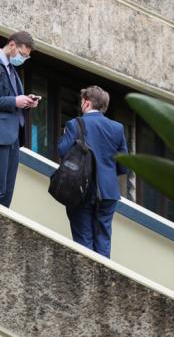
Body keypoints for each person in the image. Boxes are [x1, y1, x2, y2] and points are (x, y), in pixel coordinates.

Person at [57, 86, 128, 258]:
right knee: (103, 240)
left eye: (82, 102)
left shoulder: (75, 124)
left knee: (83, 240)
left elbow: (62, 151)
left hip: (80, 189)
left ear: (87, 103)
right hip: (108, 192)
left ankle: (86, 283)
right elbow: (124, 165)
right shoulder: (117, 128)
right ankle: (102, 281)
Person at [0, 31, 39, 208]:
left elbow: (12, 101)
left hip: (13, 136)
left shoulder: (12, 70)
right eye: (23, 54)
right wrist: (14, 101)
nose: (23, 59)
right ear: (12, 45)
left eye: (26, 57)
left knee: (8, 191)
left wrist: (25, 101)